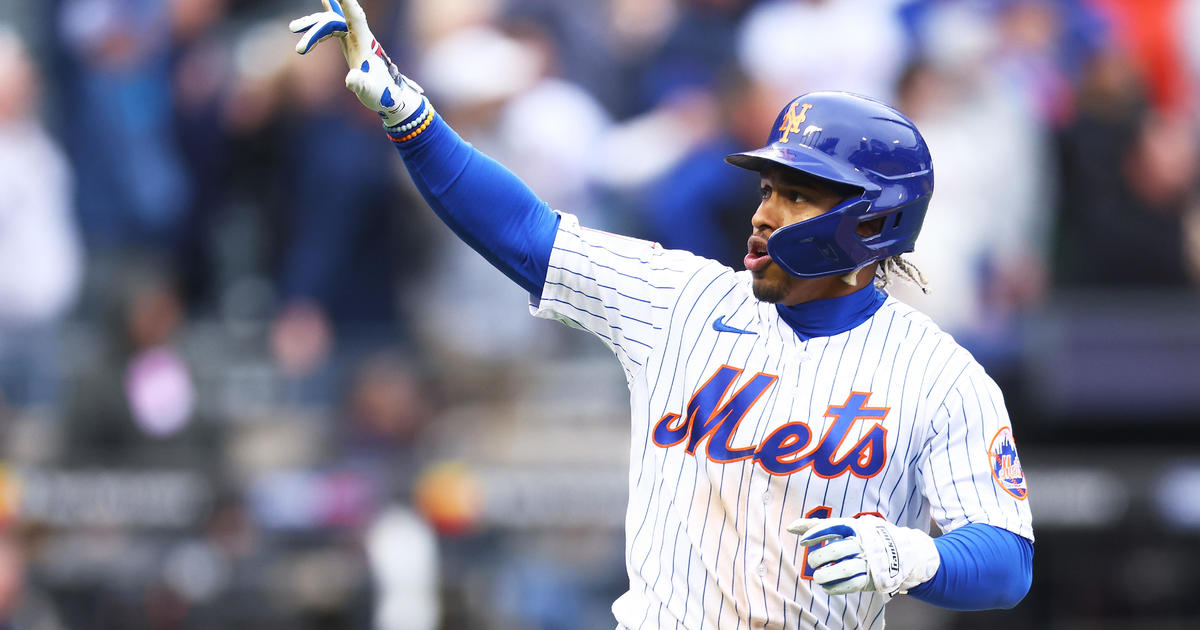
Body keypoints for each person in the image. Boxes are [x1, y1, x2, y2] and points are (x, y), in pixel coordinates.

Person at [289, 2, 1034, 628]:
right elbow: (523, 232)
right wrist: (413, 119)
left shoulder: (938, 373)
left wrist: (915, 556)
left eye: (797, 194)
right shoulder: (680, 298)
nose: (765, 213)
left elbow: (1006, 561)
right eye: (767, 187)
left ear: (874, 224)